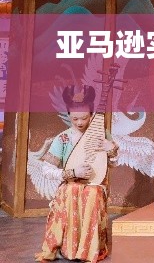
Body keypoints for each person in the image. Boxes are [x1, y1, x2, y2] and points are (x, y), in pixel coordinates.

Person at [35, 85, 119, 263]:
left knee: (92, 193)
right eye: (75, 119)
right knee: (71, 190)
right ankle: (68, 249)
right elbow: (46, 169)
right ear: (68, 116)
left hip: (95, 184)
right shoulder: (63, 138)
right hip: (70, 183)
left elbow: (111, 164)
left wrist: (111, 150)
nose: (80, 122)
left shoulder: (102, 134)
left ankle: (88, 251)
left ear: (91, 115)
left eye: (84, 118)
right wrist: (72, 172)